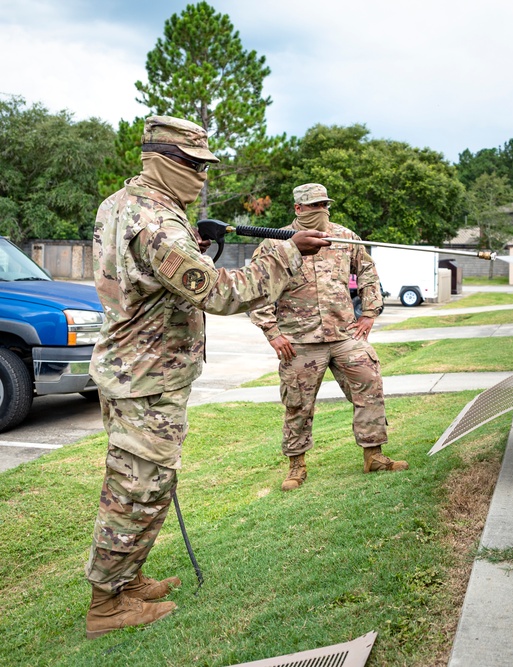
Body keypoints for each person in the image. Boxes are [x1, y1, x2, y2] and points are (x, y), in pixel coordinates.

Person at [84, 116, 330, 639]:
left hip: (140, 370)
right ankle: (106, 606)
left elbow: (152, 273)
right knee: (137, 488)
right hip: (146, 376)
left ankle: (127, 581)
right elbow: (221, 292)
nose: (201, 176)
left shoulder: (124, 203)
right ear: (163, 160)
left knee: (151, 481)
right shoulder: (156, 224)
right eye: (193, 165)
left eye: (205, 166)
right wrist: (287, 251)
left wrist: (196, 240)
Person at [249, 183, 408, 492]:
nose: (320, 210)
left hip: (344, 334)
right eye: (312, 206)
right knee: (298, 404)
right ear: (298, 209)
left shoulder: (344, 237)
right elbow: (256, 289)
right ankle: (297, 466)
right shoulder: (275, 243)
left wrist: (370, 313)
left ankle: (373, 455)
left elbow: (368, 273)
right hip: (299, 341)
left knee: (370, 386)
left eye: (324, 204)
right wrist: (272, 332)